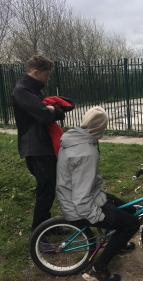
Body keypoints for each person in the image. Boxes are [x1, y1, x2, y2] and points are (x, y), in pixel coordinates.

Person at [56, 106, 140, 281]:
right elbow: (81, 195)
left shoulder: (73, 139)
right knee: (131, 223)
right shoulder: (87, 152)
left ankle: (118, 243)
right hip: (80, 206)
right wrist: (97, 216)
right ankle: (96, 269)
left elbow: (82, 185)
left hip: (81, 195)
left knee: (130, 209)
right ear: (98, 128)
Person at [11, 55, 67, 232]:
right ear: (35, 72)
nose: (48, 78)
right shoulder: (22, 91)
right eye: (46, 74)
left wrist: (53, 110)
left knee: (49, 187)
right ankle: (39, 231)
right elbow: (44, 115)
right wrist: (53, 111)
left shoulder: (35, 90)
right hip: (35, 148)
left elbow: (52, 111)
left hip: (44, 144)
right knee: (46, 188)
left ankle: (47, 225)